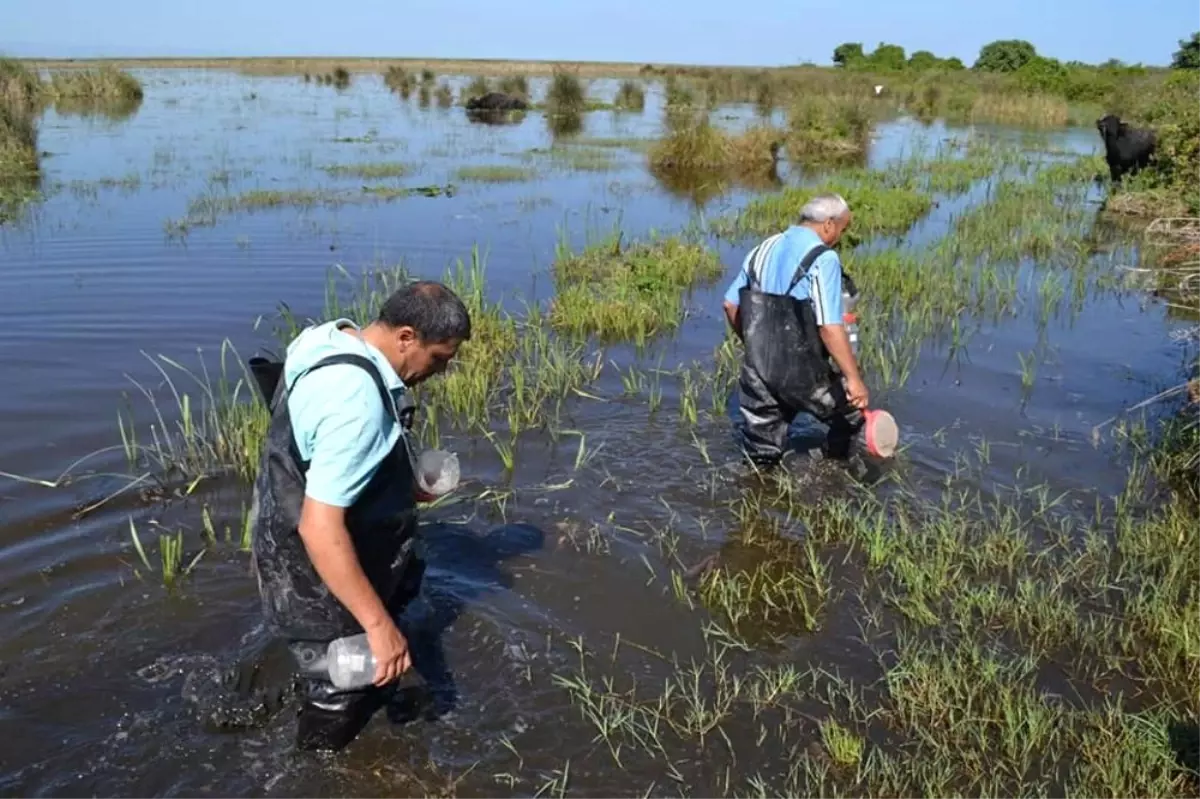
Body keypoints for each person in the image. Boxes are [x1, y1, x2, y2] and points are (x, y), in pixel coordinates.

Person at [246, 280, 470, 752]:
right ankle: (316, 770)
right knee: (338, 692)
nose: (440, 371)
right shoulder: (357, 405)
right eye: (439, 359)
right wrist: (378, 627)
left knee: (350, 660)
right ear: (406, 337)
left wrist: (400, 481)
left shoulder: (331, 338)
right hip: (310, 567)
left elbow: (317, 445)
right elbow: (319, 527)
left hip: (283, 521)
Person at [722, 193, 869, 470]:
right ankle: (832, 475)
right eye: (842, 229)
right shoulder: (823, 259)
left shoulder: (762, 248)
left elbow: (730, 305)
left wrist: (753, 345)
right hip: (803, 371)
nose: (839, 236)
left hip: (759, 369)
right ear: (828, 225)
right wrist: (854, 379)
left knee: (760, 455)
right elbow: (828, 327)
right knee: (852, 417)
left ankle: (755, 496)